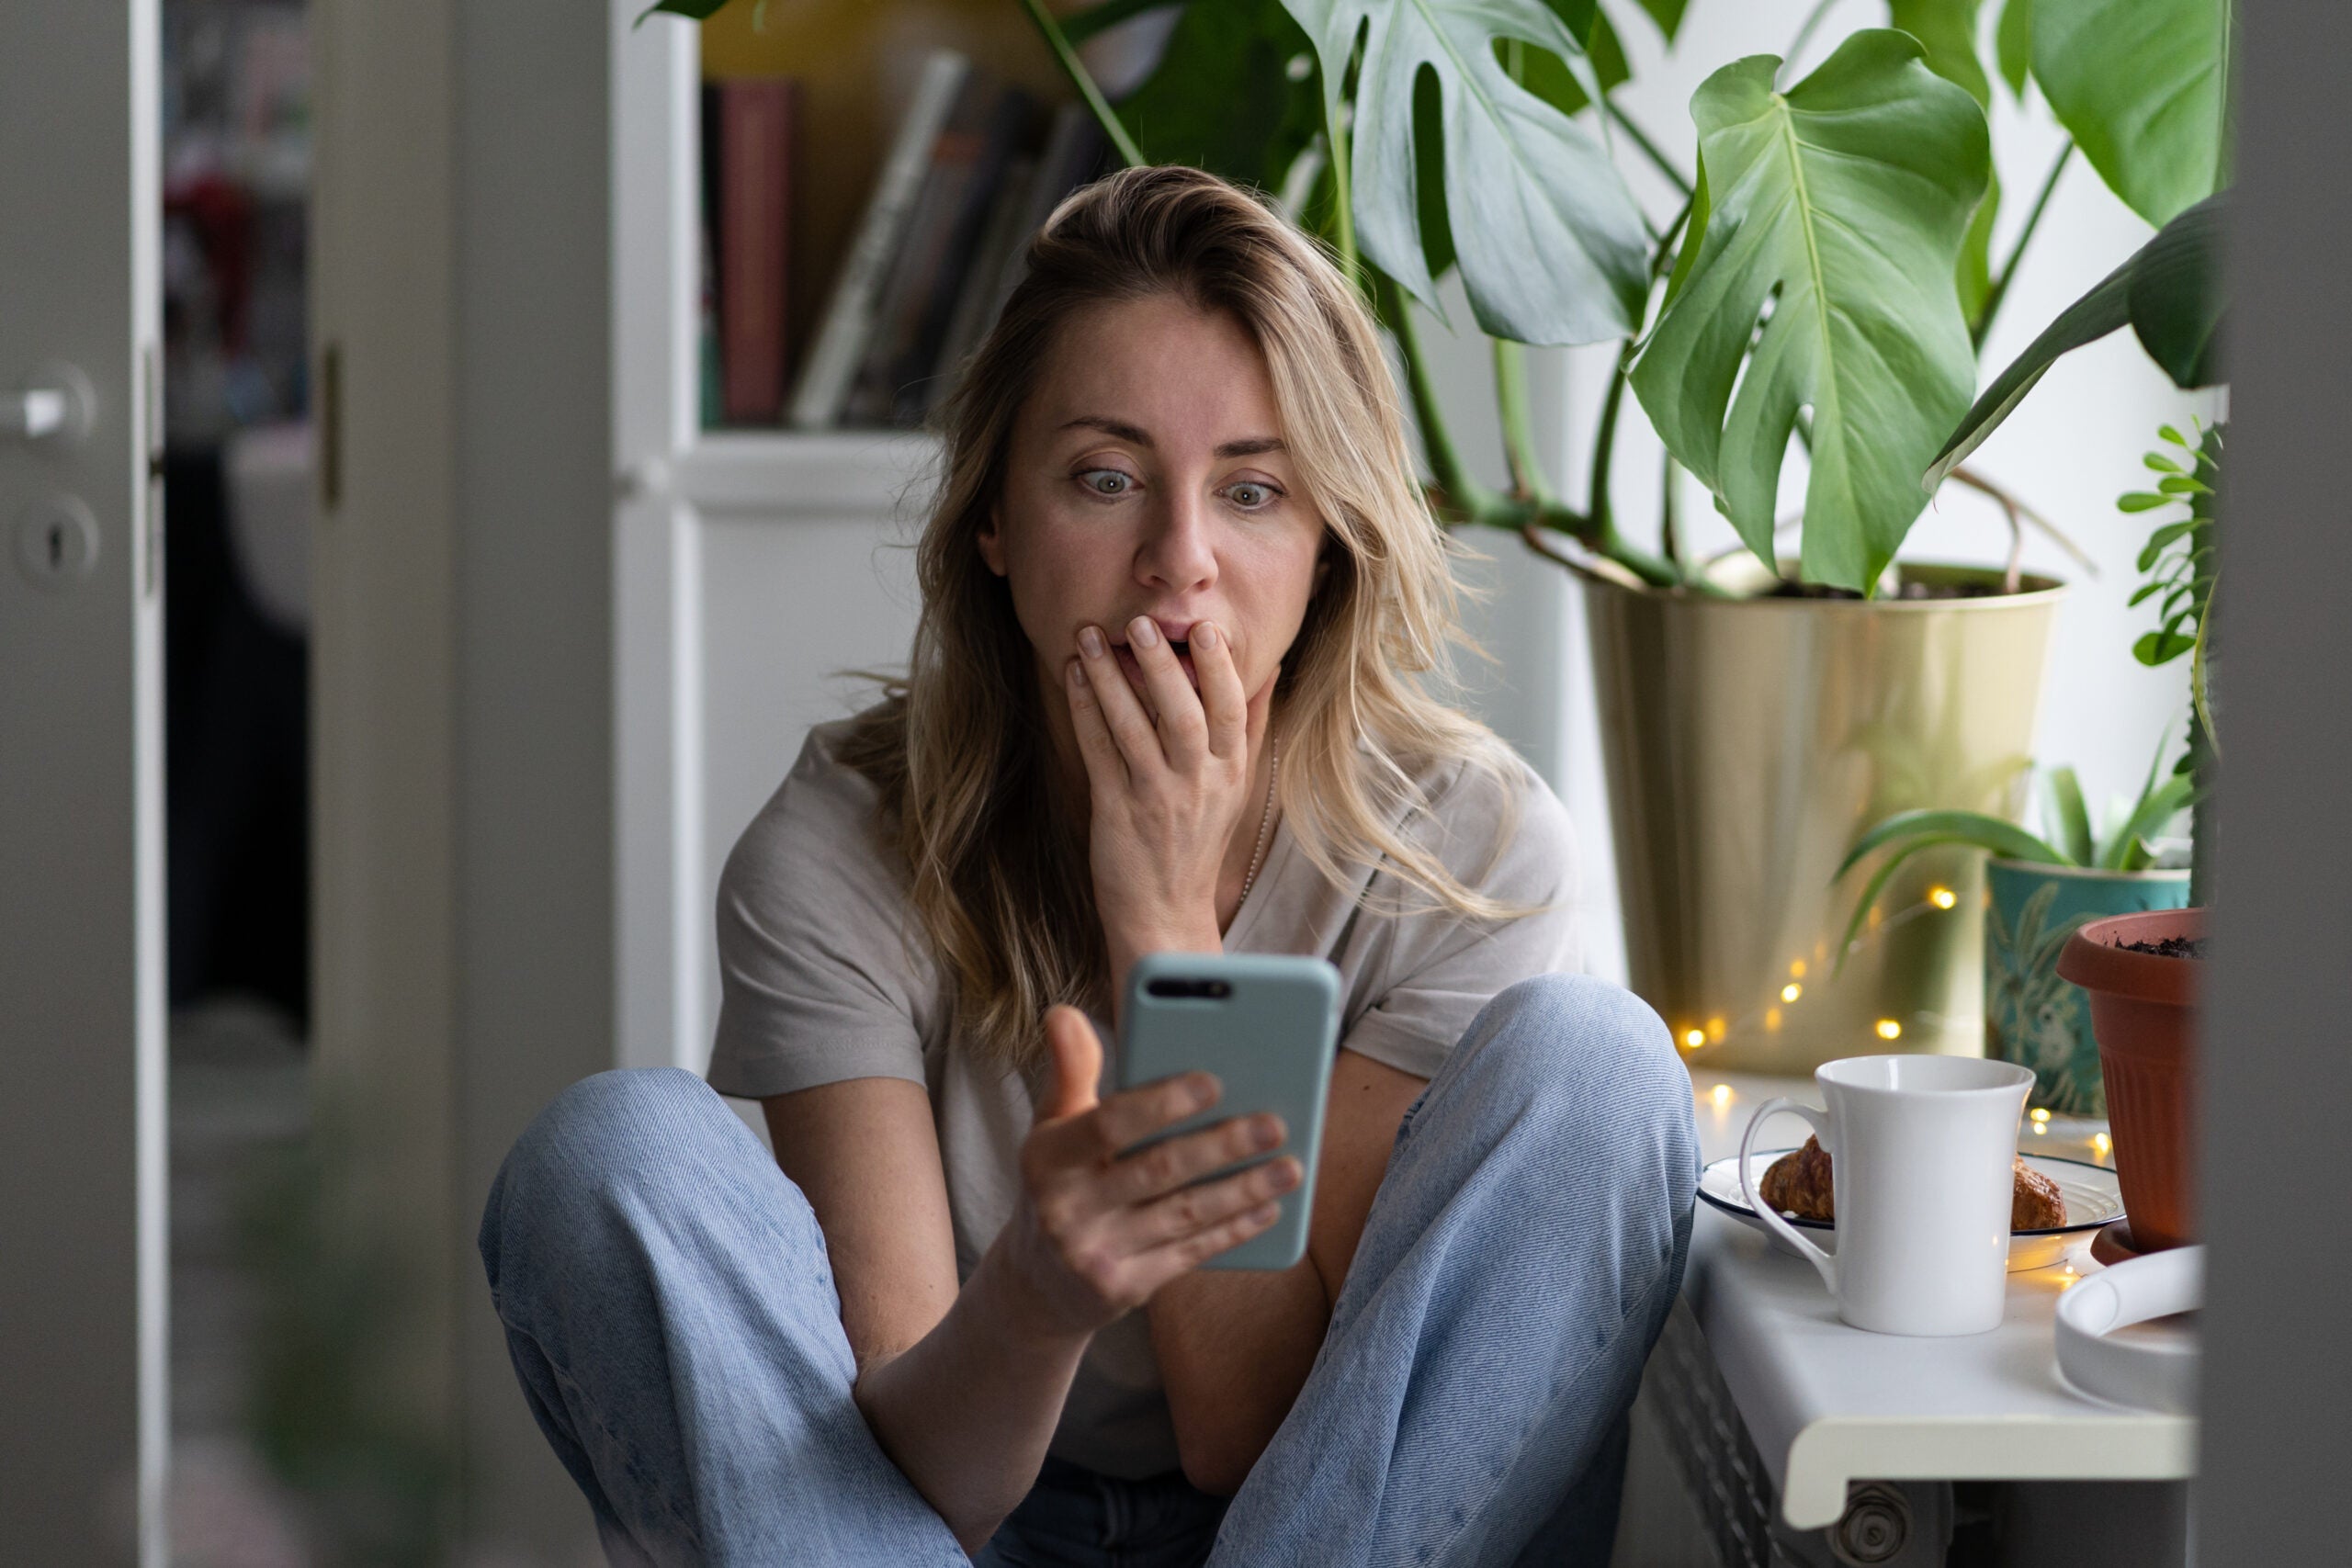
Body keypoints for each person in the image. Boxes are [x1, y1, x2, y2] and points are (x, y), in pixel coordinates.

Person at [479, 165, 1698, 1568]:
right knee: (609, 1153)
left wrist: (1169, 936)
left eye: (1252, 491)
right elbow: (926, 1491)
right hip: (950, 1528)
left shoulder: (1466, 849)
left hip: (1327, 1518)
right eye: (1106, 480)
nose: (1176, 564)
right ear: (996, 524)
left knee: (1602, 1063)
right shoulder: (836, 852)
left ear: (1328, 552)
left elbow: (1246, 1429)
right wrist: (1040, 1297)